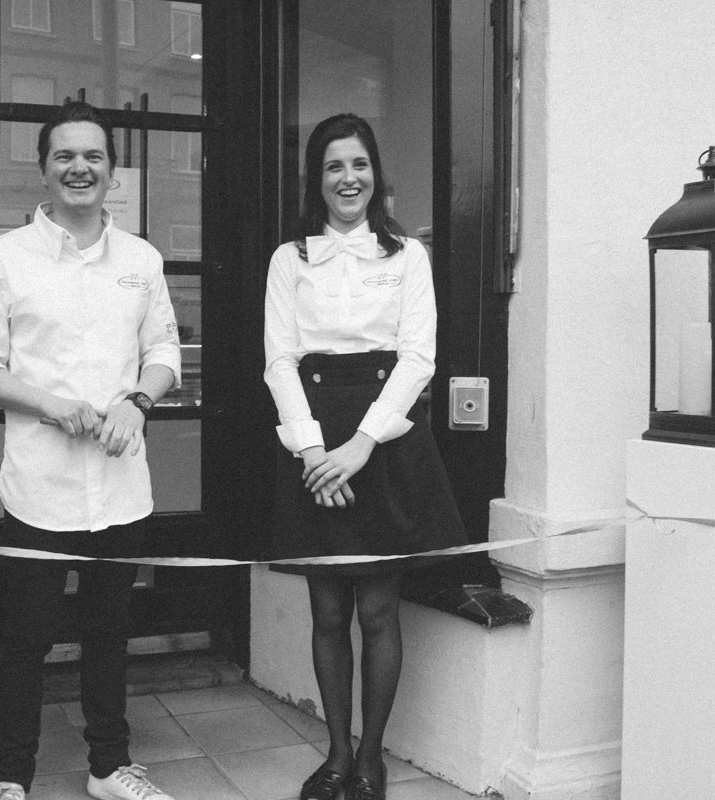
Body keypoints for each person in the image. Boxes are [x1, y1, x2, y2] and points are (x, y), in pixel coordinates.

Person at [0, 100, 181, 800]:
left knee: (109, 634)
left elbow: (164, 352)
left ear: (113, 170)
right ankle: (12, 776)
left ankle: (109, 767)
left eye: (93, 156)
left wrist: (137, 402)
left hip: (119, 488)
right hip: (39, 487)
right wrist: (48, 404)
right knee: (26, 639)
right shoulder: (3, 258)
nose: (79, 168)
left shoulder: (141, 260)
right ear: (43, 169)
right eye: (65, 156)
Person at [262, 113, 468, 800]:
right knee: (327, 612)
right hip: (315, 439)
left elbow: (418, 359)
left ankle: (372, 759)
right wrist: (313, 450)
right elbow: (280, 360)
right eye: (333, 166)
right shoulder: (290, 259)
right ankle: (337, 754)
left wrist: (360, 446)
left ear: (375, 174)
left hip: (385, 439)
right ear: (316, 180)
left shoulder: (407, 256)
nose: (347, 178)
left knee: (379, 612)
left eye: (358, 164)